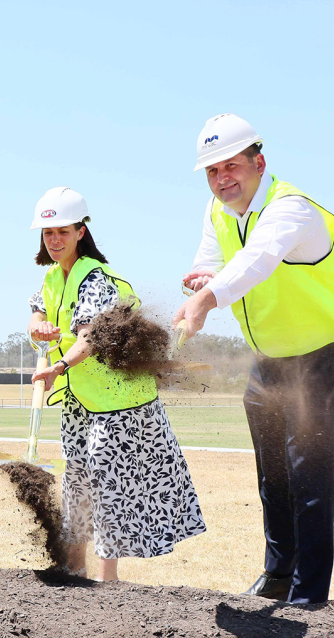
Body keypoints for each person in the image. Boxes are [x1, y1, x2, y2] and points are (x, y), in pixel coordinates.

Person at [173, 114, 334, 605]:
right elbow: (213, 259)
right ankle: (278, 574)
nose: (221, 179)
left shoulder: (290, 208)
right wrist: (201, 279)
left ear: (259, 162)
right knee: (272, 471)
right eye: (212, 172)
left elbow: (256, 260)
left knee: (307, 470)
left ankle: (309, 594)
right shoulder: (218, 212)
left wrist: (206, 300)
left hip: (324, 355)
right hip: (271, 358)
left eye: (231, 166)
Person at [27, 187, 205, 582]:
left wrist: (57, 367)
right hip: (82, 400)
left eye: (61, 231)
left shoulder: (97, 280)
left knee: (107, 486)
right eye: (47, 233)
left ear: (80, 231)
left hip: (120, 402)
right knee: (78, 479)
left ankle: (107, 584)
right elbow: (37, 313)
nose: (53, 240)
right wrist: (38, 328)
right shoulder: (54, 278)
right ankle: (73, 568)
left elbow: (90, 337)